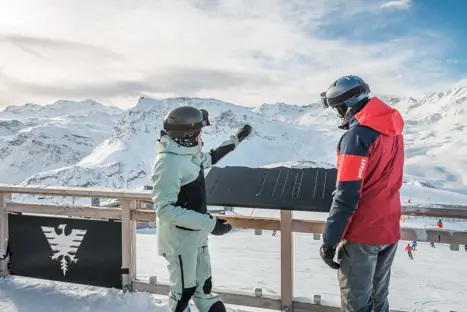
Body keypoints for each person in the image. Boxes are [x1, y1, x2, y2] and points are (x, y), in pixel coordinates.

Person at [152, 106, 252, 312]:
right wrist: (211, 224)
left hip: (196, 236)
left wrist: (237, 139)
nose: (201, 136)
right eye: (199, 131)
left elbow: (212, 157)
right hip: (179, 241)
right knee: (182, 293)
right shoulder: (169, 162)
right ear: (189, 134)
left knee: (203, 288)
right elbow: (165, 209)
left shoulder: (188, 155)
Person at [318, 75, 404, 312]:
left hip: (362, 234)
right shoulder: (393, 130)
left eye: (338, 109)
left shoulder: (356, 137)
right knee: (379, 301)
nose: (338, 114)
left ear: (346, 106)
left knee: (357, 305)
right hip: (388, 230)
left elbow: (346, 194)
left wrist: (329, 241)